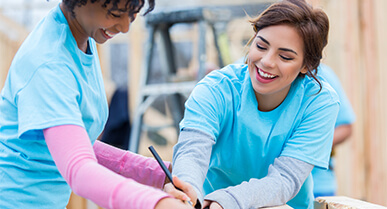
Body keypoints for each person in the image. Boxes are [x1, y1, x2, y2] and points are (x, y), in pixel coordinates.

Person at [0, 0, 195, 208]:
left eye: (133, 14)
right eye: (115, 13)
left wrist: (160, 174)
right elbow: (79, 169)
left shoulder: (81, 37)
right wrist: (158, 204)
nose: (125, 27)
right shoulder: (48, 66)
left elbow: (76, 145)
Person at [168, 0, 340, 208]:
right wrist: (186, 191)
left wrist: (228, 201)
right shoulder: (215, 90)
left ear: (307, 65)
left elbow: (285, 179)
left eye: (285, 56)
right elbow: (192, 153)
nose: (267, 61)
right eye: (260, 46)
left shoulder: (319, 103)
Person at [312, 63, 356, 197]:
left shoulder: (323, 75)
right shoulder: (249, 69)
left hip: (318, 184)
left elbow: (346, 126)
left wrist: (308, 147)